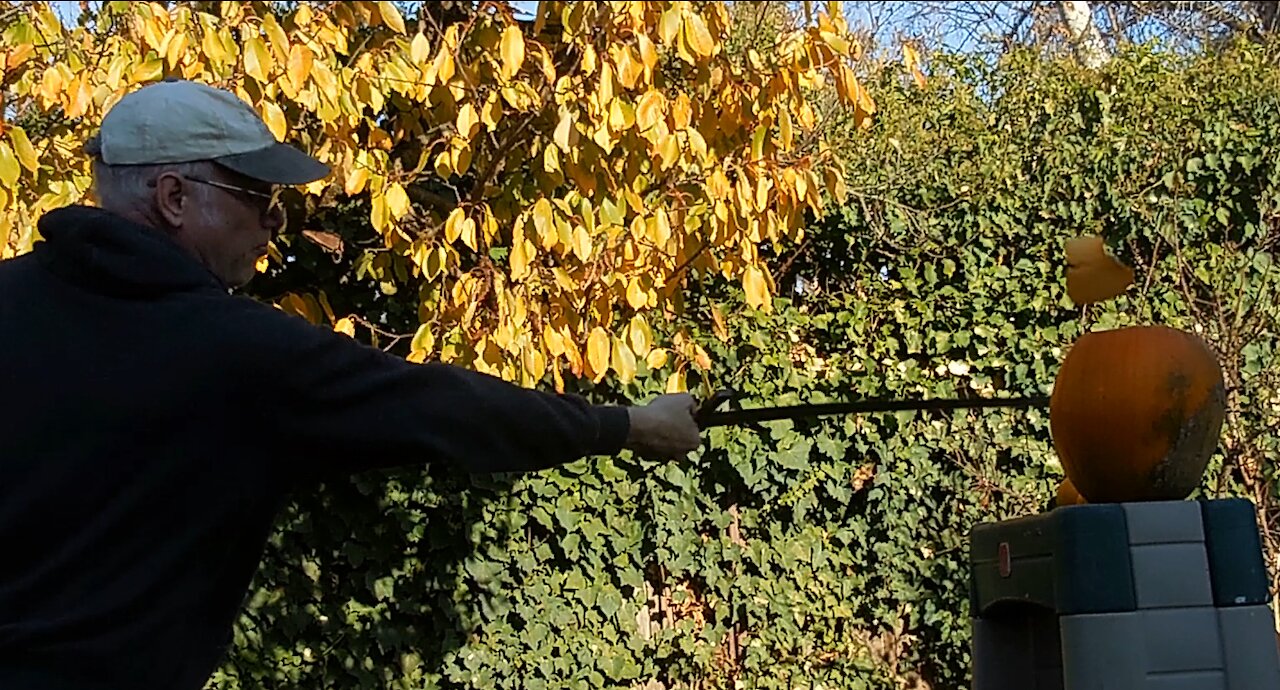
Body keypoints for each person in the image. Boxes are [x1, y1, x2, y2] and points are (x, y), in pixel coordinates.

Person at [0, 79, 703, 690]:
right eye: (258, 199)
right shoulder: (238, 352)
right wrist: (633, 425)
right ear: (174, 197)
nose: (275, 226)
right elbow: (448, 410)